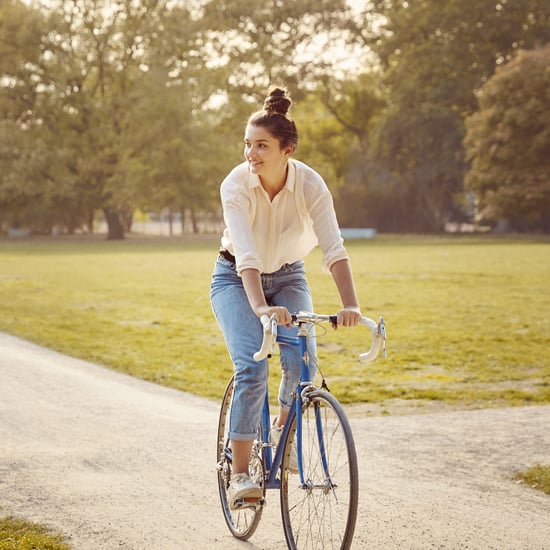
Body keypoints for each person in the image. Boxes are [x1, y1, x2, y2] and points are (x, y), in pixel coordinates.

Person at [210, 86, 362, 508]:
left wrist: (351, 305)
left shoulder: (311, 185)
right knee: (253, 367)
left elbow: (334, 249)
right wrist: (261, 309)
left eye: (261, 146)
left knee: (303, 362)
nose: (250, 154)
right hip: (235, 278)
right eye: (247, 144)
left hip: (290, 275)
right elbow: (247, 253)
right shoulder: (235, 185)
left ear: (286, 150)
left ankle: (281, 430)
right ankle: (240, 474)